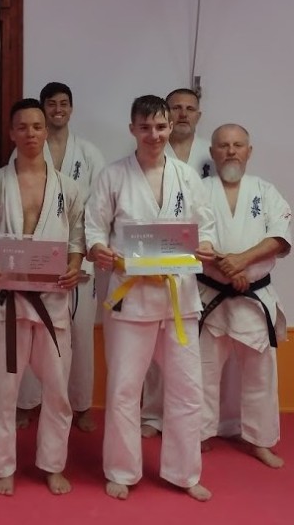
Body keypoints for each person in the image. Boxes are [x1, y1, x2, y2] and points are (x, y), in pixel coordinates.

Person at [86, 95, 215, 502]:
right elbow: (94, 229)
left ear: (169, 127)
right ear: (132, 130)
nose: (154, 135)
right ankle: (122, 469)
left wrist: (207, 245)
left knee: (187, 389)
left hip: (179, 298)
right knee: (124, 389)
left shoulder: (187, 177)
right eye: (145, 128)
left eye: (160, 127)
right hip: (132, 298)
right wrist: (99, 250)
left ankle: (184, 472)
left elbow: (206, 227)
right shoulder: (113, 176)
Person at [0, 98, 84, 496]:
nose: (31, 133)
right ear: (12, 133)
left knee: (57, 389)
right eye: (23, 127)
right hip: (9, 299)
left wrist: (74, 266)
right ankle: (2, 465)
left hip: (52, 301)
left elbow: (78, 239)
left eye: (37, 126)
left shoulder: (68, 188)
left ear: (45, 131)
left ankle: (53, 464)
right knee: (4, 389)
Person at [141, 87, 238, 439]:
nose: (183, 113)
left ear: (199, 114)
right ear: (166, 115)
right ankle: (153, 414)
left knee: (196, 351)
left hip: (204, 261)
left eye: (190, 108)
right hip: (159, 261)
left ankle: (200, 421)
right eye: (176, 108)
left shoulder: (212, 154)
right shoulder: (149, 150)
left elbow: (218, 210)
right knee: (156, 344)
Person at [11, 83, 105, 433]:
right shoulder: (25, 151)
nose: (58, 110)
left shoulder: (90, 154)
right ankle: (27, 402)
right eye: (51, 104)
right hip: (36, 261)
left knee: (79, 336)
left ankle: (81, 405)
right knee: (29, 333)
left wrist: (80, 254)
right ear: (43, 109)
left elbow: (97, 208)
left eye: (64, 103)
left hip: (78, 260)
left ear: (71, 108)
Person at [198, 124, 290, 468]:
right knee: (203, 370)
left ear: (249, 151)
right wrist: (226, 267)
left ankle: (260, 440)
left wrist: (241, 261)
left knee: (260, 375)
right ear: (212, 152)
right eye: (223, 145)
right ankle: (200, 432)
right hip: (211, 294)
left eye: (238, 145)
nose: (231, 151)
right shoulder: (198, 190)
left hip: (254, 297)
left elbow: (279, 237)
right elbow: (189, 235)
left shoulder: (265, 191)